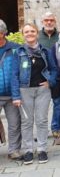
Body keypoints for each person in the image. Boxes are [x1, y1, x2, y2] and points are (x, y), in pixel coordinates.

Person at [12, 23, 58, 164]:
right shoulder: (18, 52)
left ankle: (42, 149)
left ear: (37, 33)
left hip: (42, 90)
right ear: (23, 34)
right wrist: (16, 96)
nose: (30, 33)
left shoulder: (45, 51)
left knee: (42, 120)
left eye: (32, 31)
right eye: (27, 31)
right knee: (27, 122)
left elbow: (54, 69)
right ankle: (28, 151)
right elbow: (14, 75)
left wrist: (50, 82)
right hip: (24, 90)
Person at [0, 19, 22, 160]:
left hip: (12, 94)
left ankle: (14, 150)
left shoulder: (15, 48)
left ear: (2, 33)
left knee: (14, 123)